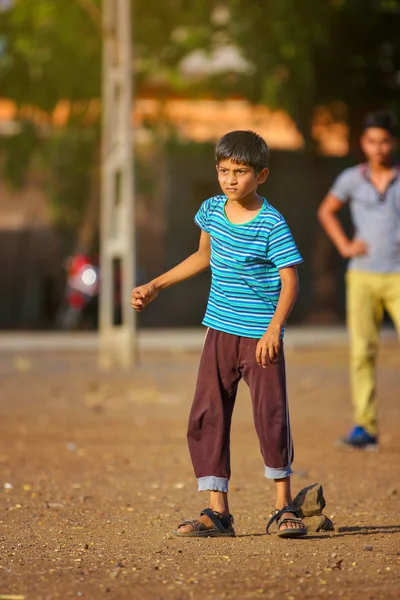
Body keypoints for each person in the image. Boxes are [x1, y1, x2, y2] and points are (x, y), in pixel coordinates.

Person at [132, 130, 306, 538]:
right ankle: (217, 512)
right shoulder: (210, 210)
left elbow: (290, 279)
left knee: (271, 417)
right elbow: (202, 256)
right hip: (219, 332)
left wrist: (274, 329)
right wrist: (156, 286)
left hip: (261, 338)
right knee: (207, 416)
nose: (230, 180)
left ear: (261, 175)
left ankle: (283, 506)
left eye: (241, 172)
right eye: (224, 171)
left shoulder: (271, 222)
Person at [318, 110, 400, 450]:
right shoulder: (352, 178)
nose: (378, 148)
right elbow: (327, 210)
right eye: (371, 142)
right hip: (363, 276)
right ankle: (364, 428)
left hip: (397, 275)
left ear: (392, 143)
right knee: (361, 352)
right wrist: (344, 245)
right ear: (363, 144)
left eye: (384, 141)